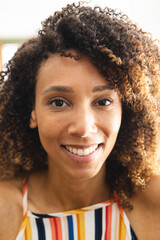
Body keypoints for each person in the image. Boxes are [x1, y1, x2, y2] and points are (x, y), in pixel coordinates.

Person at [0, 2, 160, 240]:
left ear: (125, 110)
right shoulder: (4, 208)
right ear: (31, 111)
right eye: (58, 102)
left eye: (103, 101)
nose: (84, 128)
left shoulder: (154, 203)